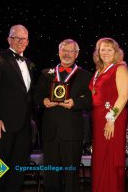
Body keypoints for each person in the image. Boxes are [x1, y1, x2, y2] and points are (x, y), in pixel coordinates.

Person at [34, 39, 92, 192]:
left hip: (72, 132)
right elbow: (37, 95)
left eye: (70, 51)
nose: (67, 54)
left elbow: (90, 100)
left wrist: (75, 103)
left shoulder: (86, 75)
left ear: (77, 54)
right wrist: (44, 100)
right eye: (64, 50)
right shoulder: (46, 73)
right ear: (59, 52)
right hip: (50, 131)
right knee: (51, 173)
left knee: (71, 175)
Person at [0, 24, 33, 192]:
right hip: (2, 124)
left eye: (24, 39)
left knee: (17, 169)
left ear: (28, 41)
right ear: (9, 39)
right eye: (16, 38)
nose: (20, 41)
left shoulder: (29, 63)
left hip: (24, 126)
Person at [89, 37, 128, 192]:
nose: (105, 52)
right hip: (98, 120)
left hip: (112, 119)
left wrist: (111, 119)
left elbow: (123, 96)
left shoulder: (120, 68)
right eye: (102, 49)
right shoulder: (99, 70)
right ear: (98, 52)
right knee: (100, 160)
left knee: (111, 160)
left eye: (109, 49)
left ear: (116, 52)